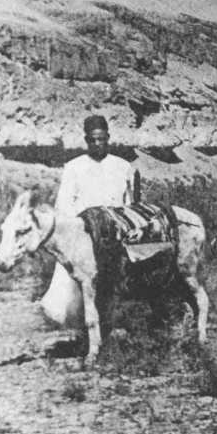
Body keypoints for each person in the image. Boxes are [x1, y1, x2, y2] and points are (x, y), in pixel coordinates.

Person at [41, 114, 142, 326]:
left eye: (101, 139)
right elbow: (64, 205)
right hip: (84, 237)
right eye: (92, 140)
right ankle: (83, 327)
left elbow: (130, 204)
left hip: (115, 235)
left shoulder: (123, 166)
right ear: (86, 140)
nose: (97, 144)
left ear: (108, 138)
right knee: (77, 292)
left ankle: (117, 322)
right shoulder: (74, 167)